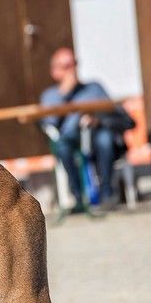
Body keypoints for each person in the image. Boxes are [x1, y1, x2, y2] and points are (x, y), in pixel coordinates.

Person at [40, 48, 133, 209]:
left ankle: (107, 194)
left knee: (105, 139)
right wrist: (66, 94)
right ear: (54, 71)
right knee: (62, 147)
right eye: (66, 66)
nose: (72, 69)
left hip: (96, 133)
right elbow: (49, 123)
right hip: (70, 137)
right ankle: (79, 198)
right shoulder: (51, 95)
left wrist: (98, 120)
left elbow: (121, 116)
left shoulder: (93, 88)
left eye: (74, 64)